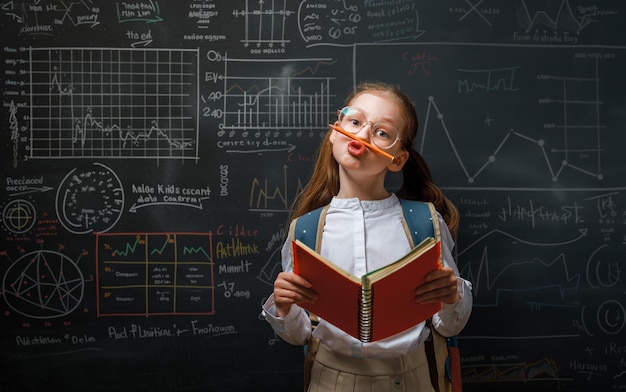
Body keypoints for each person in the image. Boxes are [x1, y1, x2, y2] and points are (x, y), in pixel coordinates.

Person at [262, 82, 472, 392]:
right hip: (332, 380)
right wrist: (283, 307)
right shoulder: (305, 231)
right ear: (336, 131)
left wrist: (452, 295)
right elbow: (299, 335)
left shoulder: (425, 223)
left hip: (412, 378)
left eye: (382, 133)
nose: (361, 136)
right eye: (355, 122)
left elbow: (450, 325)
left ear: (397, 160)